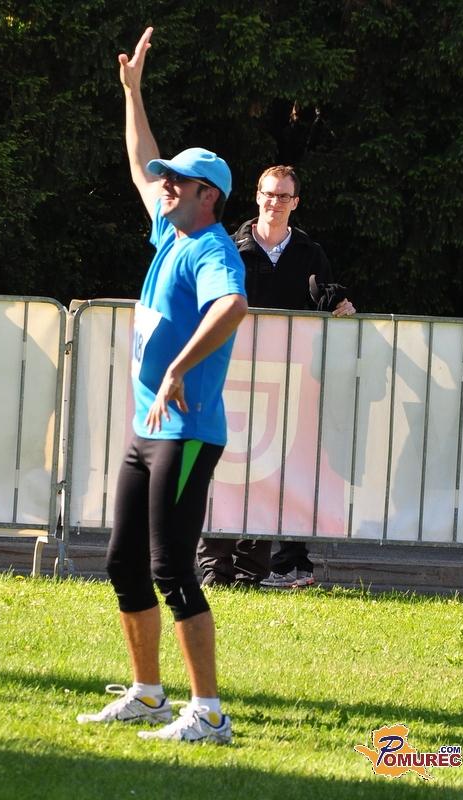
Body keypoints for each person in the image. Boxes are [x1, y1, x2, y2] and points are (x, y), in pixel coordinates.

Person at [75, 28, 246, 744]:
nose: (163, 183)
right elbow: (139, 161)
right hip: (148, 428)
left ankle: (209, 712)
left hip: (186, 428)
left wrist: (178, 368)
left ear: (209, 195)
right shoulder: (171, 232)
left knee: (172, 567)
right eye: (165, 178)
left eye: (177, 179)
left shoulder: (210, 248)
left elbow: (232, 306)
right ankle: (148, 695)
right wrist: (133, 92)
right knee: (124, 563)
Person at [197, 165, 355, 589]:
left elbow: (324, 300)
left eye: (284, 196)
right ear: (257, 196)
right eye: (268, 193)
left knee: (268, 472)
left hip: (285, 383)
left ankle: (250, 570)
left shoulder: (310, 253)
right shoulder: (229, 247)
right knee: (221, 471)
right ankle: (215, 568)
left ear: (295, 202)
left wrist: (340, 307)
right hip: (229, 376)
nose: (275, 202)